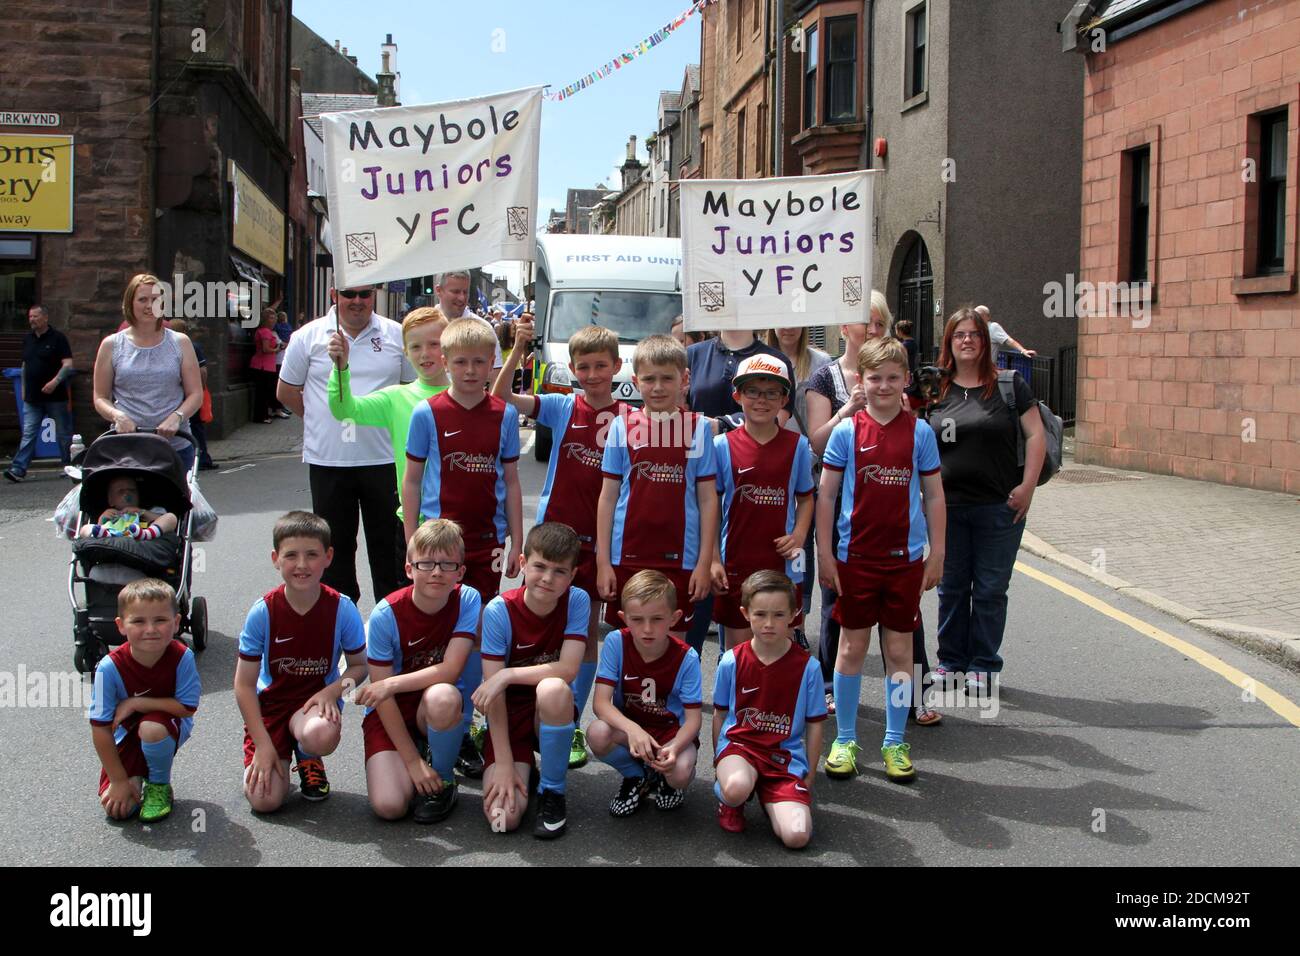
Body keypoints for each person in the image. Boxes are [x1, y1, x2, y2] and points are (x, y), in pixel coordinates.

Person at [493, 320, 625, 769]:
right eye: (583, 367)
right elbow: (502, 398)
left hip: (599, 544)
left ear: (616, 367)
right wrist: (518, 349)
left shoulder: (631, 419)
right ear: (571, 369)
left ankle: (569, 722)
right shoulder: (560, 405)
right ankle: (533, 712)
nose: (592, 375)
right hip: (555, 539)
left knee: (585, 635)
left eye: (600, 366)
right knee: (542, 622)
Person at [817, 337, 945, 783]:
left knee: (898, 650)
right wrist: (825, 553)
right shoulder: (847, 432)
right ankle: (846, 738)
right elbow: (827, 494)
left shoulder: (921, 432)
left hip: (905, 561)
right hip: (854, 560)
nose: (884, 386)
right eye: (875, 378)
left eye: (893, 377)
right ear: (860, 381)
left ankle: (894, 741)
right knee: (851, 648)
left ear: (906, 380)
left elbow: (933, 495)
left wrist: (937, 554)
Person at [403, 317, 523, 778]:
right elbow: (411, 481)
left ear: (492, 363)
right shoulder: (427, 413)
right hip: (438, 547)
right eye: (460, 362)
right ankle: (434, 717)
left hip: (487, 544)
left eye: (479, 362)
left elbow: (511, 481)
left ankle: (472, 721)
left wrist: (515, 540)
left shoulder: (505, 415)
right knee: (438, 630)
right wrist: (412, 540)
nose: (470, 371)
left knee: (477, 634)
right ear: (444, 363)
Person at [929, 308, 1045, 694]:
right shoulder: (935, 389)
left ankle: (983, 665)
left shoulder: (1009, 385)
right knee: (952, 587)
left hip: (999, 505)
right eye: (959, 335)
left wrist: (1027, 486)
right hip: (948, 508)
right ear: (950, 342)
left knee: (992, 588)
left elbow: (1035, 435)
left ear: (985, 341)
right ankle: (950, 662)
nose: (967, 340)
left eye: (974, 334)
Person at [277, 284, 413, 605]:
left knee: (388, 554)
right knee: (334, 556)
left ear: (374, 296)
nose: (357, 301)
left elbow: (410, 392)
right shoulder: (307, 337)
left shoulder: (396, 335)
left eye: (365, 294)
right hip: (329, 463)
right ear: (333, 294)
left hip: (384, 462)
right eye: (349, 294)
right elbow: (286, 392)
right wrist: (320, 420)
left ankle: (390, 628)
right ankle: (343, 631)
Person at [235, 511, 368, 812]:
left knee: (319, 734)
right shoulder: (263, 612)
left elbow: (360, 667)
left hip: (312, 707)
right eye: (291, 555)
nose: (302, 565)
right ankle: (279, 751)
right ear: (275, 559)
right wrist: (264, 746)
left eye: (312, 554)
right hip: (271, 706)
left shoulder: (342, 609)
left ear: (328, 556)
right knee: (264, 801)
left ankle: (309, 757)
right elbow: (244, 686)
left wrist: (332, 692)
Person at [356, 519, 480, 824]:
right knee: (390, 806)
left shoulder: (467, 599)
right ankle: (420, 753)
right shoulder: (386, 614)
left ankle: (443, 778)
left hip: (430, 705)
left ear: (460, 572)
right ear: (409, 569)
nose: (436, 572)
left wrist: (391, 684)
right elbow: (381, 697)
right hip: (390, 711)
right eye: (426, 563)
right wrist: (412, 763)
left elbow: (450, 670)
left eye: (447, 564)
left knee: (444, 696)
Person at [597, 334, 719, 642]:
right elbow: (608, 497)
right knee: (629, 646)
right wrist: (603, 562)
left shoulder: (699, 427)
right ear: (636, 381)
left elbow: (707, 500)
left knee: (677, 646)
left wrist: (705, 562)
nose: (658, 387)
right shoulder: (621, 426)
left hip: (683, 559)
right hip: (627, 557)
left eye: (667, 378)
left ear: (684, 379)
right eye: (649, 379)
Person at [473, 522, 591, 838]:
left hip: (549, 710)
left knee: (553, 687)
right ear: (523, 564)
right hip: (506, 717)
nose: (548, 578)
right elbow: (493, 694)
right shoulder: (500, 610)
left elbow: (567, 670)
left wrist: (508, 674)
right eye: (539, 567)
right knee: (504, 819)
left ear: (573, 575)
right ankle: (521, 765)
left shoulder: (577, 601)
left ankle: (552, 792)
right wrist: (505, 763)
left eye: (560, 571)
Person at [804, 294, 889, 709]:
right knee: (836, 594)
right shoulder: (825, 379)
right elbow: (814, 443)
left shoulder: (890, 376)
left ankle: (908, 693)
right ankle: (830, 687)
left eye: (879, 324)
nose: (872, 330)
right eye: (865, 323)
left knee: (898, 601)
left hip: (885, 501)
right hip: (839, 500)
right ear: (844, 329)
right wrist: (848, 410)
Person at [712, 570, 825, 848]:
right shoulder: (731, 661)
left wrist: (810, 772)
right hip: (740, 748)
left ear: (794, 615)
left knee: (797, 836)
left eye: (778, 615)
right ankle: (732, 800)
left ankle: (768, 791)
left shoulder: (808, 667)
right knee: (736, 787)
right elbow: (720, 715)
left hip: (783, 757)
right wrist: (719, 762)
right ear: (745, 613)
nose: (769, 623)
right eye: (760, 614)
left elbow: (815, 724)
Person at [711, 355, 815, 649]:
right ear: (737, 395)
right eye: (753, 391)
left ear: (784, 399)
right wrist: (713, 560)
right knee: (737, 649)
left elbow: (806, 499)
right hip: (735, 559)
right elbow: (710, 509)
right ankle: (735, 695)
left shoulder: (798, 446)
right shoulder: (722, 446)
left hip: (781, 562)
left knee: (778, 644)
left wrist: (798, 535)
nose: (761, 400)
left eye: (772, 393)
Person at [588, 570, 702, 816]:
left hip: (671, 732)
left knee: (680, 773)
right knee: (597, 733)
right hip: (632, 726)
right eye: (637, 619)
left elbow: (693, 720)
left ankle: (667, 780)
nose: (647, 628)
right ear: (623, 618)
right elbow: (600, 704)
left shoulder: (687, 657)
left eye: (657, 619)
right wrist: (633, 729)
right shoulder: (615, 642)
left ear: (675, 618)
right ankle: (636, 776)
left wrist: (673, 748)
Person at [89, 578, 201, 823]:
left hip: (163, 726)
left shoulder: (182, 657)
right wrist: (118, 780)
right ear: (120, 625)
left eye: (160, 620)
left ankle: (159, 784)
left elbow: (187, 707)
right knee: (119, 809)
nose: (150, 629)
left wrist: (136, 703)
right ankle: (135, 777)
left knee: (151, 727)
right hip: (125, 735)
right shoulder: (107, 668)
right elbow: (100, 729)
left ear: (176, 623)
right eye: (138, 621)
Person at [325, 306, 449, 525]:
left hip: (461, 519)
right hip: (414, 521)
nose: (425, 353)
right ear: (406, 353)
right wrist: (340, 368)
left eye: (434, 344)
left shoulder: (467, 397)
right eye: (416, 346)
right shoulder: (395, 398)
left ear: (449, 346)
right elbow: (344, 410)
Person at [93, 274, 203, 474]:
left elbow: (195, 394)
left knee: (174, 504)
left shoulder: (180, 342)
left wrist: (177, 417)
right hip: (127, 446)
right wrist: (117, 416)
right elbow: (100, 397)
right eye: (143, 299)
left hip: (175, 445)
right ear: (130, 303)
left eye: (156, 299)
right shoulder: (112, 345)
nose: (150, 305)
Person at [5, 304, 74, 483]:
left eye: (35, 316)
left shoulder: (58, 338)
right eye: (30, 317)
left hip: (56, 397)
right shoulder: (27, 339)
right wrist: (23, 391)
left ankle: (69, 466)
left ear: (45, 318)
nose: (32, 320)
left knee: (63, 433)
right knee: (29, 433)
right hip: (32, 398)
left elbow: (68, 364)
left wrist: (55, 382)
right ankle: (18, 469)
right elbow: (25, 366)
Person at [164, 319, 216, 470]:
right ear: (185, 330)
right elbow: (202, 371)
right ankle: (203, 459)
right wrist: (202, 388)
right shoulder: (192, 346)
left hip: (178, 398)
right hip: (189, 396)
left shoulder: (173, 346)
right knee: (197, 427)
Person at [433, 270, 504, 369]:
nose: (462, 298)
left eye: (465, 292)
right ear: (439, 290)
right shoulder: (424, 325)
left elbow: (495, 377)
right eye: (456, 292)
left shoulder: (483, 328)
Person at [78, 475, 178, 540]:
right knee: (85, 529)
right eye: (121, 491)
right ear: (111, 500)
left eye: (132, 490)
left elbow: (165, 522)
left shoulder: (148, 511)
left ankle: (147, 533)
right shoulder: (110, 515)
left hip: (144, 539)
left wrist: (142, 512)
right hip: (111, 539)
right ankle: (104, 535)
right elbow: (99, 526)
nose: (127, 493)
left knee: (170, 517)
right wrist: (101, 519)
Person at [250, 308, 282, 424]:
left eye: (275, 318)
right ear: (265, 319)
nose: (273, 321)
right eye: (271, 318)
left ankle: (263, 415)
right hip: (263, 366)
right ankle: (261, 417)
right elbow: (265, 349)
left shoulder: (264, 331)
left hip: (265, 365)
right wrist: (277, 349)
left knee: (263, 392)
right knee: (262, 393)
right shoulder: (265, 332)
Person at [273, 310, 293, 417]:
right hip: (279, 360)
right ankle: (279, 407)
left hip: (278, 359)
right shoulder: (288, 327)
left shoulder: (276, 330)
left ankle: (280, 407)